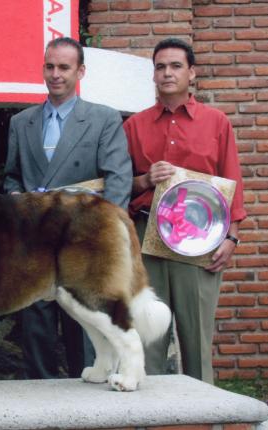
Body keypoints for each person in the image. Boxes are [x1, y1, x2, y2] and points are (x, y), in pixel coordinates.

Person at [4, 37, 132, 378]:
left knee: (86, 323)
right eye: (50, 66)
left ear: (80, 71)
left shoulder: (104, 119)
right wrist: (15, 197)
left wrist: (99, 233)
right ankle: (40, 403)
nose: (56, 74)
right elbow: (11, 177)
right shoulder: (21, 122)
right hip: (34, 243)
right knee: (36, 327)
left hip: (82, 242)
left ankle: (91, 404)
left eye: (64, 67)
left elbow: (118, 181)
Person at [123, 38, 246, 384]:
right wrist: (145, 179)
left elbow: (232, 181)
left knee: (196, 339)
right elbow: (118, 186)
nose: (167, 73)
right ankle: (149, 416)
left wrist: (232, 238)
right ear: (153, 75)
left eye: (176, 66)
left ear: (191, 73)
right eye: (160, 66)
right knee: (149, 335)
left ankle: (203, 416)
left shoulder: (216, 122)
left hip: (201, 241)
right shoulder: (134, 126)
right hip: (148, 239)